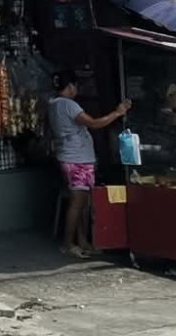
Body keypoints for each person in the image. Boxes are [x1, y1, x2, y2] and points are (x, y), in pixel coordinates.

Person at [50, 70, 130, 258]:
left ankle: (83, 241)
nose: (76, 89)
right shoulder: (68, 105)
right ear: (70, 86)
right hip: (75, 159)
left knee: (82, 203)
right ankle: (68, 244)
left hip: (75, 157)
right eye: (75, 86)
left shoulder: (53, 104)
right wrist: (117, 113)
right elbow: (94, 123)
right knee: (78, 203)